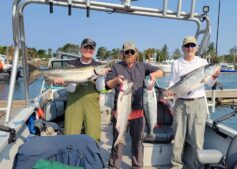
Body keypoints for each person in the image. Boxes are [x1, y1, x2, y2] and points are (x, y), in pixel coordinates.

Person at [105, 41, 164, 169]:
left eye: (132, 52)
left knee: (138, 143)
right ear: (122, 53)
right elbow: (107, 84)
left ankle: (137, 166)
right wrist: (116, 80)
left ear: (136, 53)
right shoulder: (116, 67)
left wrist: (154, 75)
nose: (129, 54)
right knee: (117, 142)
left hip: (138, 112)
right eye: (127, 52)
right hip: (120, 112)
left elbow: (161, 71)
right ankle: (114, 166)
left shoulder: (143, 66)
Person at [168, 36, 220, 169]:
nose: (190, 48)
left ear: (196, 48)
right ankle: (176, 166)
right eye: (187, 45)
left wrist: (214, 76)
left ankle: (198, 166)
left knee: (198, 140)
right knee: (178, 138)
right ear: (182, 48)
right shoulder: (177, 63)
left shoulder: (203, 62)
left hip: (198, 103)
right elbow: (172, 83)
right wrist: (168, 92)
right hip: (180, 103)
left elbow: (209, 83)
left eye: (192, 45)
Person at [54, 38, 108, 142]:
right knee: (70, 135)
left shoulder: (98, 65)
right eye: (86, 47)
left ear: (94, 50)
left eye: (91, 48)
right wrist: (64, 82)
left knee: (93, 136)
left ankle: (91, 157)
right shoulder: (72, 64)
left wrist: (101, 76)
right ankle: (71, 157)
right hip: (74, 104)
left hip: (92, 105)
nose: (88, 50)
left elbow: (100, 88)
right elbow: (72, 89)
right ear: (80, 48)